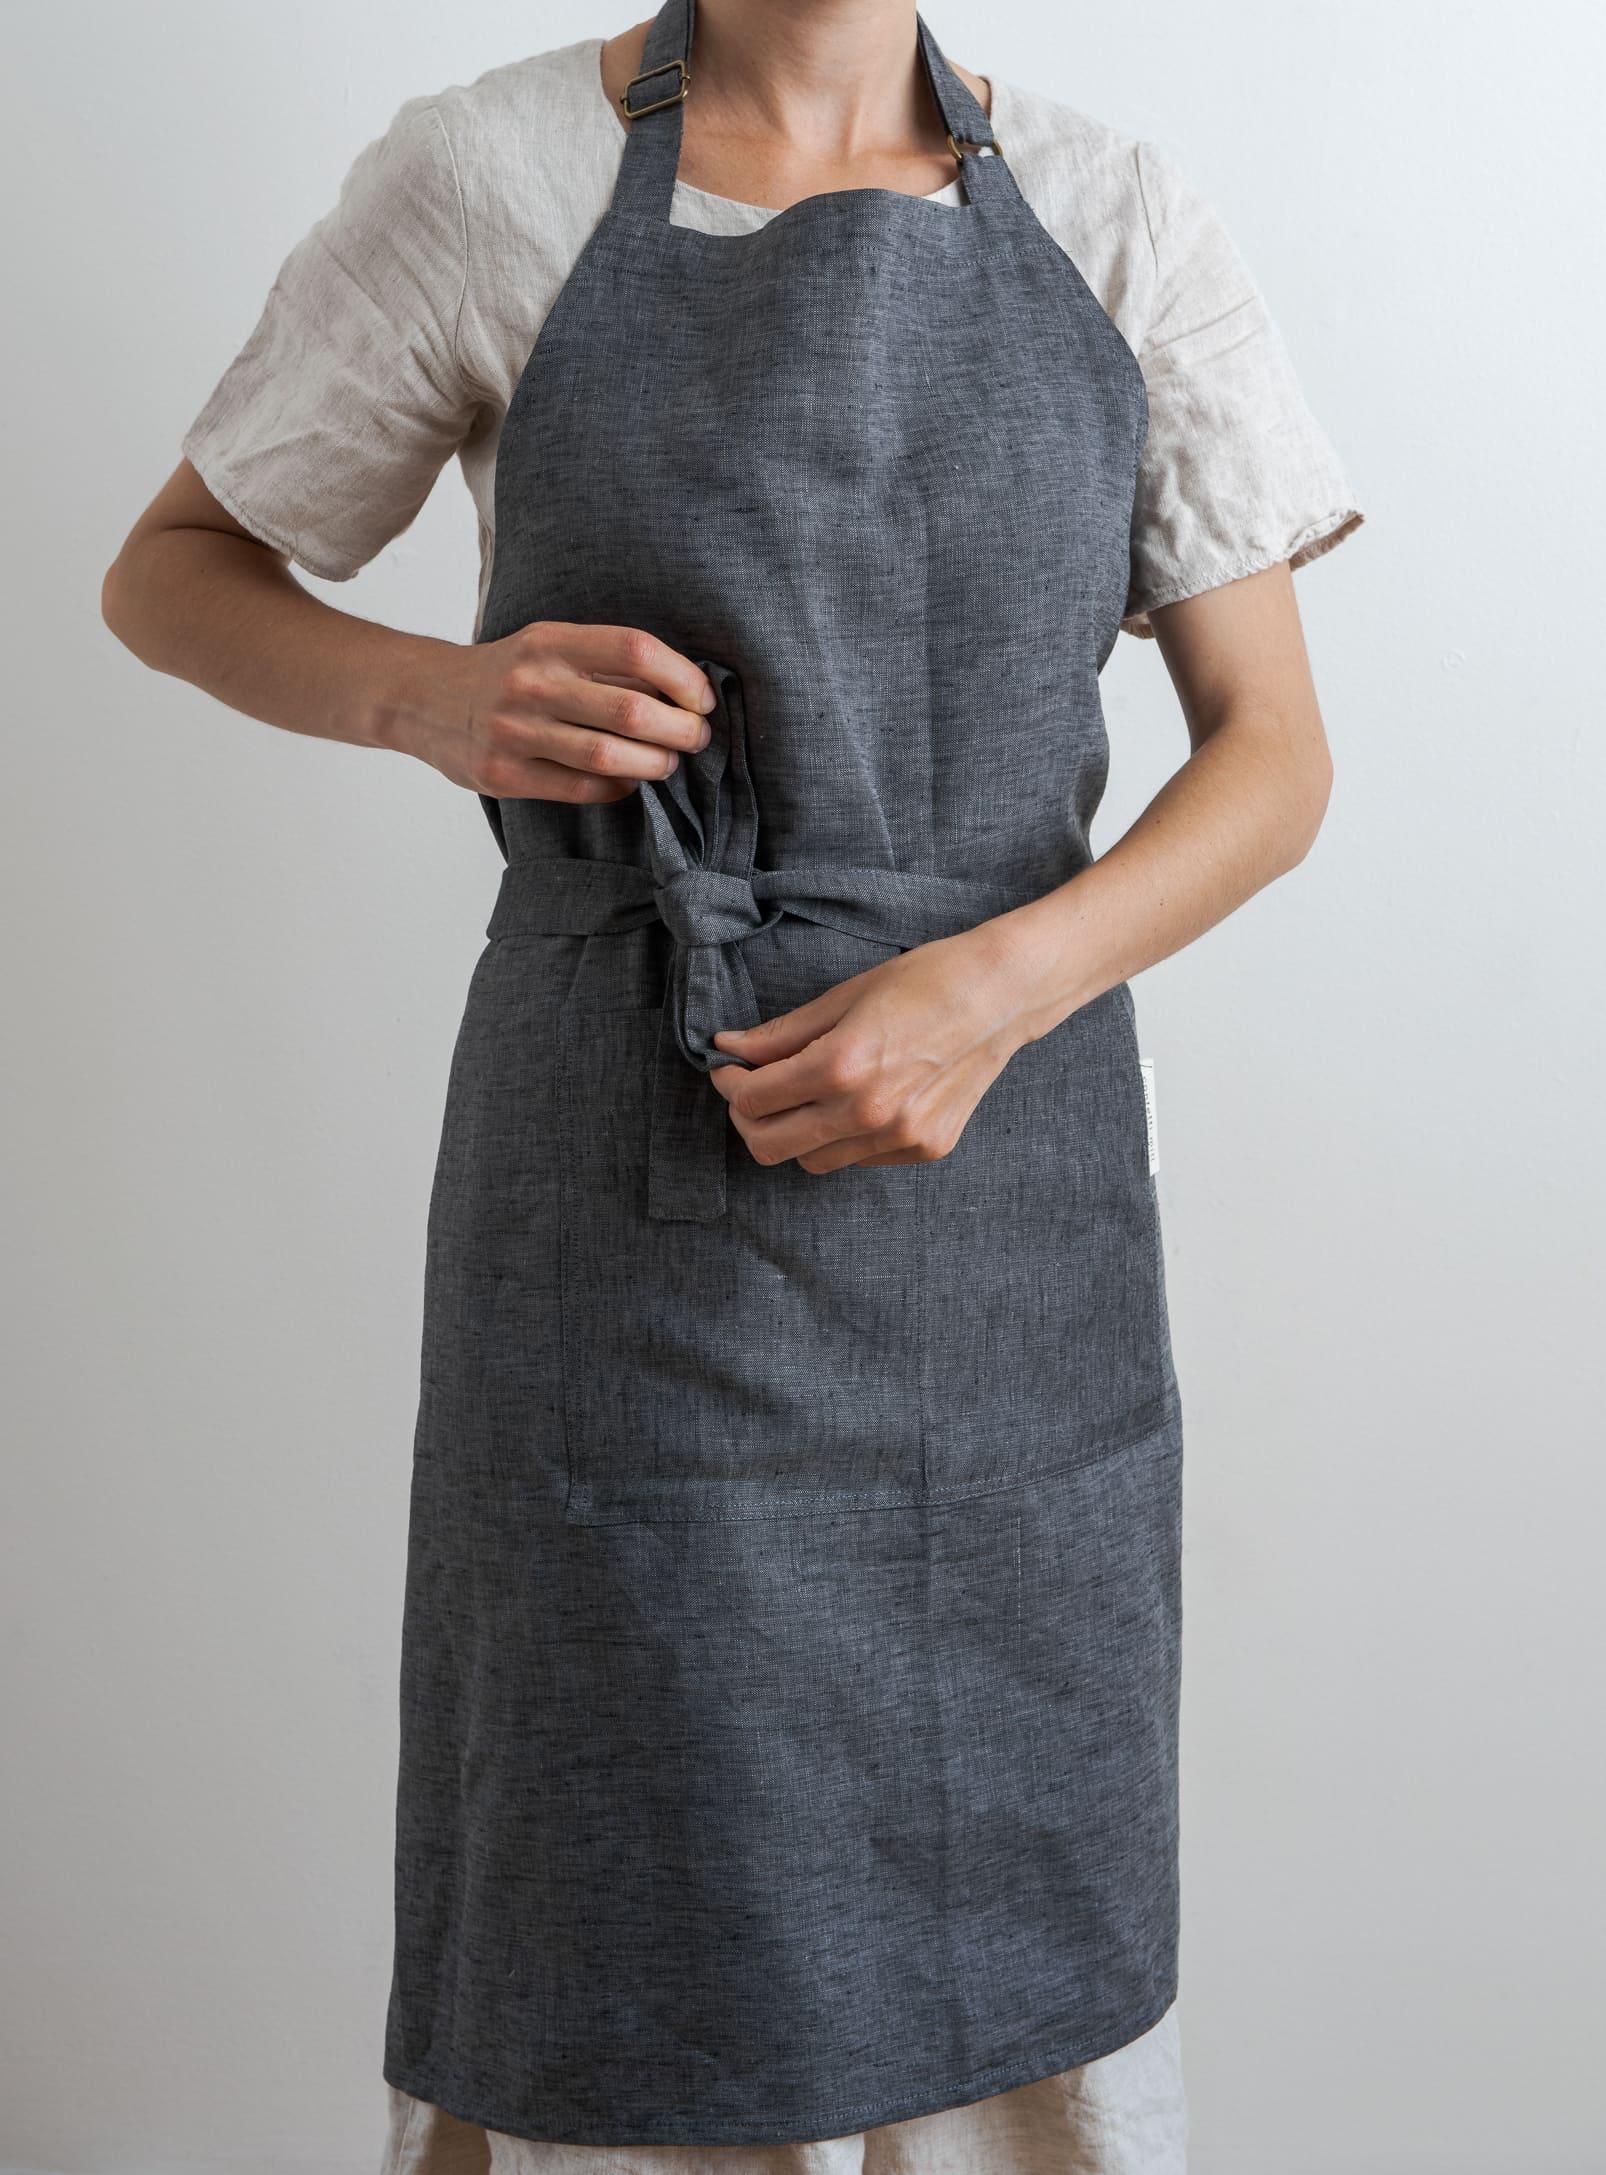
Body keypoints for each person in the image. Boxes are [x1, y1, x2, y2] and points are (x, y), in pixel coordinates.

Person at [102, 4, 1363, 2171]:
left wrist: (991, 989)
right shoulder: (484, 170)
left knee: (1008, 1880)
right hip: (624, 1188)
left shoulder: (1110, 204)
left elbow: (1270, 754)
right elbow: (175, 571)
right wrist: (435, 696)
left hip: (1007, 1202)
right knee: (640, 1893)